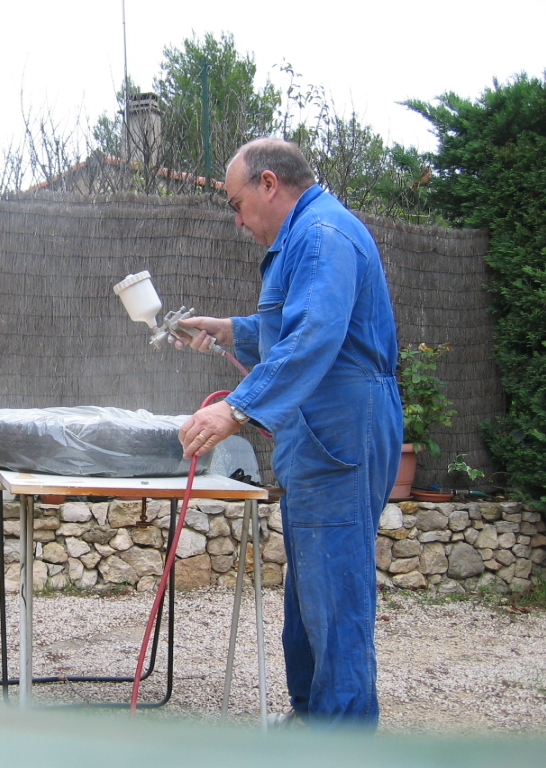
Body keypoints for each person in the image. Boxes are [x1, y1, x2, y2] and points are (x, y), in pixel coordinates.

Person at [176, 137, 402, 728]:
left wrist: (235, 410)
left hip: (343, 426)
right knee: (308, 595)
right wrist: (228, 330)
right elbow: (285, 328)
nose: (237, 217)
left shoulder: (323, 235)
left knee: (336, 596)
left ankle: (341, 742)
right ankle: (311, 720)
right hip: (319, 430)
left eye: (236, 201)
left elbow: (314, 338)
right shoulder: (303, 236)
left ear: (269, 184)